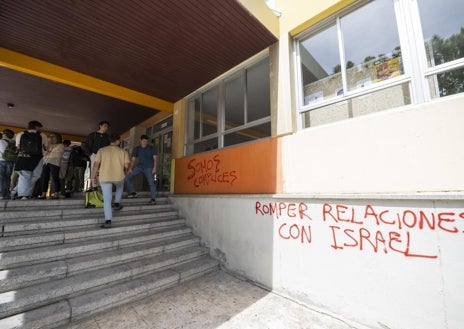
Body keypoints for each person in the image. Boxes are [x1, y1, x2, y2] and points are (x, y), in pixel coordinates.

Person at [92, 133, 130, 229]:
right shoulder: (123, 152)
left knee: (107, 199)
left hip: (105, 177)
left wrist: (93, 177)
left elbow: (96, 165)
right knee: (120, 186)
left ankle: (108, 220)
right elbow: (126, 166)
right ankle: (117, 203)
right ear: (117, 141)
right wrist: (126, 169)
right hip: (118, 176)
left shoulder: (101, 150)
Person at [12, 120, 48, 200]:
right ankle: (23, 194)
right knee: (36, 175)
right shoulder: (42, 135)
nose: (40, 129)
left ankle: (19, 192)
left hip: (23, 157)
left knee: (25, 175)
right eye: (40, 127)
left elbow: (17, 146)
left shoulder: (20, 134)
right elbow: (45, 148)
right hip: (38, 158)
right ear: (37, 127)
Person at [124, 134, 158, 204]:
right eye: (143, 141)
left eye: (146, 141)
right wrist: (130, 168)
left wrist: (154, 168)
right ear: (140, 141)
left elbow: (155, 159)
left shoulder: (152, 148)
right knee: (127, 177)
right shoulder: (137, 149)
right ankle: (133, 193)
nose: (145, 143)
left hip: (148, 167)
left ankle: (153, 199)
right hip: (139, 167)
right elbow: (133, 160)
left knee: (151, 183)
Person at [82, 121, 110, 189]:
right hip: (94, 154)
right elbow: (85, 145)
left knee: (103, 170)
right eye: (105, 126)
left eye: (107, 127)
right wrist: (90, 154)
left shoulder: (107, 136)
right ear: (100, 126)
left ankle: (101, 185)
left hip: (104, 156)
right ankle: (94, 186)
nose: (106, 128)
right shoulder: (93, 135)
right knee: (94, 169)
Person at [38, 133, 64, 199]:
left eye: (53, 136)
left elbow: (57, 155)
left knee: (55, 178)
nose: (51, 137)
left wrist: (48, 152)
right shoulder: (49, 145)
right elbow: (44, 153)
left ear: (57, 137)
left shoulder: (60, 145)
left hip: (54, 163)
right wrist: (48, 149)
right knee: (44, 178)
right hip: (46, 162)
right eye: (50, 136)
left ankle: (56, 193)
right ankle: (43, 193)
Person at [0, 129, 16, 199]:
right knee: (7, 178)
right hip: (11, 161)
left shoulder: (1, 141)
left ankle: (1, 194)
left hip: (1, 160)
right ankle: (6, 194)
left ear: (5, 134)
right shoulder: (13, 142)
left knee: (1, 178)